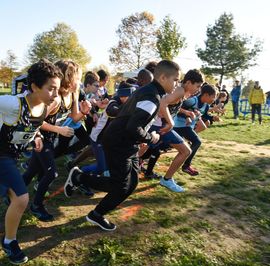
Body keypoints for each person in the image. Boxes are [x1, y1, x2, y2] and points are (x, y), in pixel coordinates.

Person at [64, 60, 180, 231]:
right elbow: (134, 127)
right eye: (175, 80)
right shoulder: (151, 96)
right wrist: (151, 137)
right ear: (163, 77)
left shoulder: (151, 92)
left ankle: (91, 203)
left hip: (125, 142)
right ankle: (82, 184)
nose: (176, 84)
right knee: (121, 186)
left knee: (130, 183)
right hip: (119, 143)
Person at [0, 59, 62, 265]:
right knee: (21, 198)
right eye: (51, 89)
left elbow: (33, 125)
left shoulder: (45, 107)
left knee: (16, 197)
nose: (55, 94)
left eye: (58, 89)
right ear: (34, 87)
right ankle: (9, 242)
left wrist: (37, 137)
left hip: (10, 158)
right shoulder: (13, 104)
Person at [23, 60, 91, 221]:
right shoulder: (55, 98)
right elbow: (36, 121)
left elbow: (74, 117)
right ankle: (36, 205)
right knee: (51, 173)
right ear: (69, 78)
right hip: (40, 137)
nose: (80, 82)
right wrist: (59, 129)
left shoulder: (73, 94)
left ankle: (8, 193)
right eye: (78, 78)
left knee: (31, 171)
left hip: (50, 136)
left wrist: (84, 112)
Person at [174, 84, 218, 176]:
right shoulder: (192, 101)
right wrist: (187, 116)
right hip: (178, 126)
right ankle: (186, 166)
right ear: (206, 95)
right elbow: (178, 109)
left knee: (196, 142)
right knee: (196, 142)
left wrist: (213, 117)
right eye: (213, 97)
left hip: (187, 127)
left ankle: (186, 165)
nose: (214, 99)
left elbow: (204, 115)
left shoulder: (205, 105)